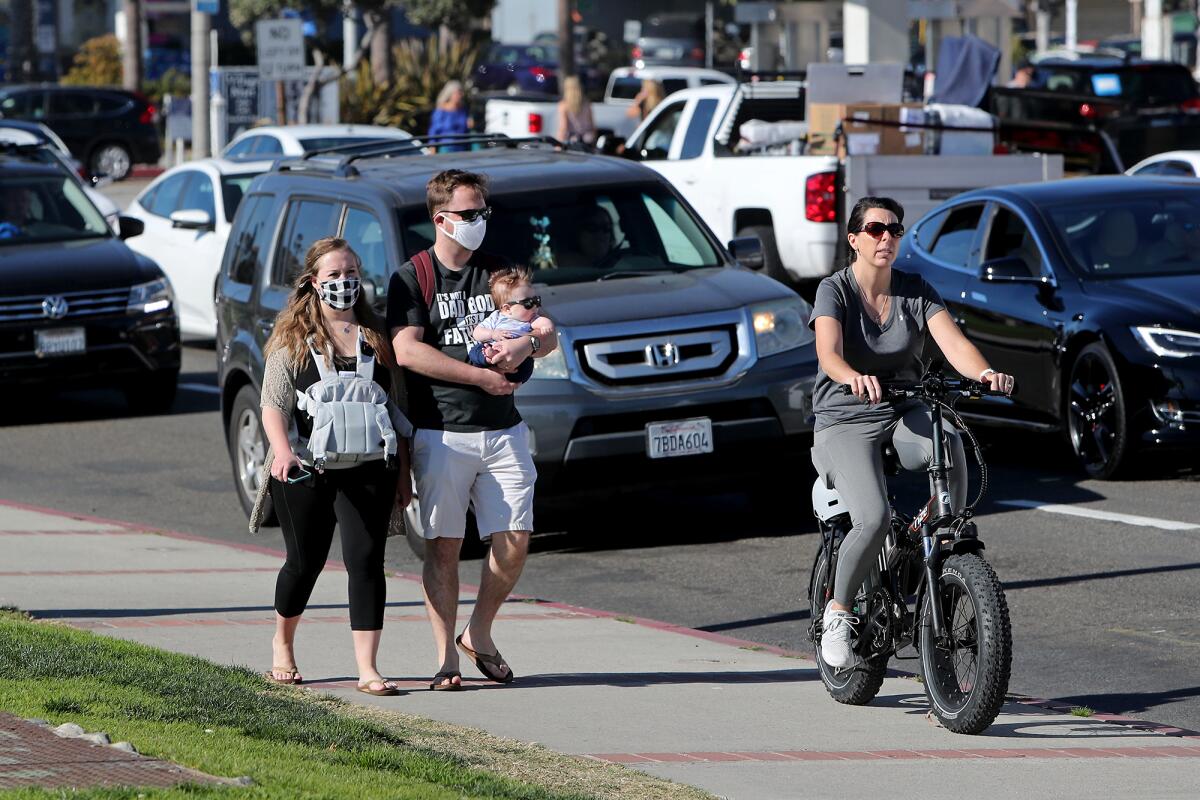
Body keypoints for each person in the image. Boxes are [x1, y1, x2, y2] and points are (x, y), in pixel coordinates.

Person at [809, 196, 1014, 669]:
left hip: (901, 407)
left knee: (951, 442)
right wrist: (851, 377)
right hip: (846, 417)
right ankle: (839, 611)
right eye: (876, 229)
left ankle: (942, 542)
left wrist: (984, 374)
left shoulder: (915, 290)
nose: (886, 238)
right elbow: (828, 353)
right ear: (854, 238)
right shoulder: (834, 290)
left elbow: (954, 343)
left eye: (895, 230)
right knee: (874, 518)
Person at [387, 169, 559, 691]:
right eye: (468, 214)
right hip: (441, 431)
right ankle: (446, 660)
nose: (479, 222)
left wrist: (528, 345)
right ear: (440, 219)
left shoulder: (498, 273)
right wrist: (479, 376)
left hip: (503, 428)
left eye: (484, 212)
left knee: (516, 538)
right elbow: (406, 349)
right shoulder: (412, 276)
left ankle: (478, 632)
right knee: (443, 545)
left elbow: (547, 329)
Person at [251, 237, 412, 696]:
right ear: (313, 282)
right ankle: (283, 644)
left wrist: (404, 476)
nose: (345, 282)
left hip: (369, 468)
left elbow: (397, 409)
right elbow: (273, 404)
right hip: (305, 466)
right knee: (305, 561)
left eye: (351, 272)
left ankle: (368, 668)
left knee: (366, 561)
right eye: (334, 275)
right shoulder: (292, 339)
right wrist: (281, 451)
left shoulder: (378, 336)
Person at [468, 265, 554, 384]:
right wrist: (492, 334)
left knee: (527, 365)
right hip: (493, 346)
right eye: (528, 303)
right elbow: (477, 332)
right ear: (507, 309)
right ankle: (489, 357)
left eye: (536, 300)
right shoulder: (496, 317)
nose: (535, 306)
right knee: (475, 351)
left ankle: (513, 377)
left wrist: (546, 326)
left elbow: (543, 323)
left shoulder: (531, 318)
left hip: (518, 357)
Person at [428, 80, 472, 152]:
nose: (460, 95)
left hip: (462, 148)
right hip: (446, 148)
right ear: (450, 94)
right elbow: (434, 131)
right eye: (458, 93)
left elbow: (466, 130)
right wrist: (432, 146)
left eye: (461, 93)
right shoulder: (441, 111)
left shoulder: (463, 110)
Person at [556, 76, 596, 145]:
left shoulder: (564, 105)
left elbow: (564, 127)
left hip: (572, 140)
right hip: (588, 138)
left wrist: (558, 144)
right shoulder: (587, 103)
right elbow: (592, 125)